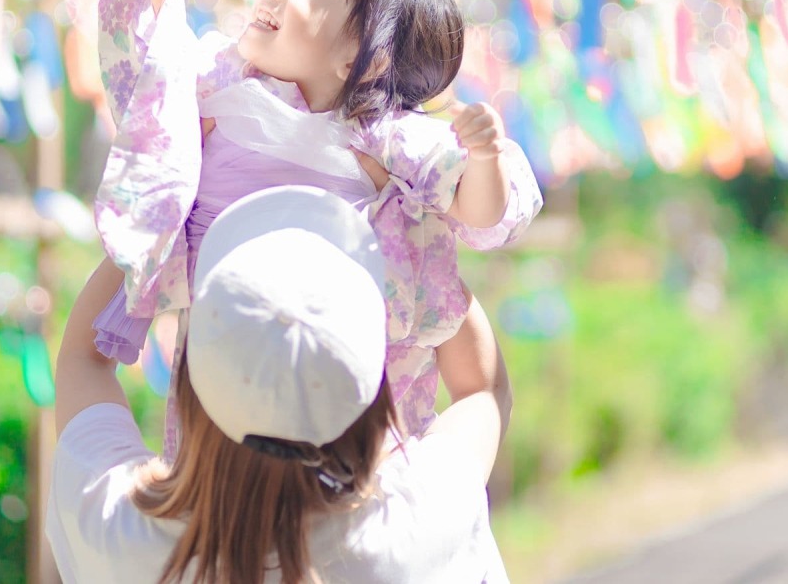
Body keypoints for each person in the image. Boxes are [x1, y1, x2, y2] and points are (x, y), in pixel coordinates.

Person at [92, 0, 542, 456]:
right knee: (214, 462)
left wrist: (483, 158)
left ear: (365, 59)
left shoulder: (384, 133)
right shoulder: (218, 79)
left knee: (353, 479)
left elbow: (479, 213)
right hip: (229, 336)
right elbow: (142, 57)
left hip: (341, 352)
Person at [48, 186, 512, 583]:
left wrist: (167, 206)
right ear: (374, 410)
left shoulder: (120, 537)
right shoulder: (410, 534)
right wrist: (419, 238)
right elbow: (483, 392)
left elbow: (82, 362)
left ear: (187, 390)